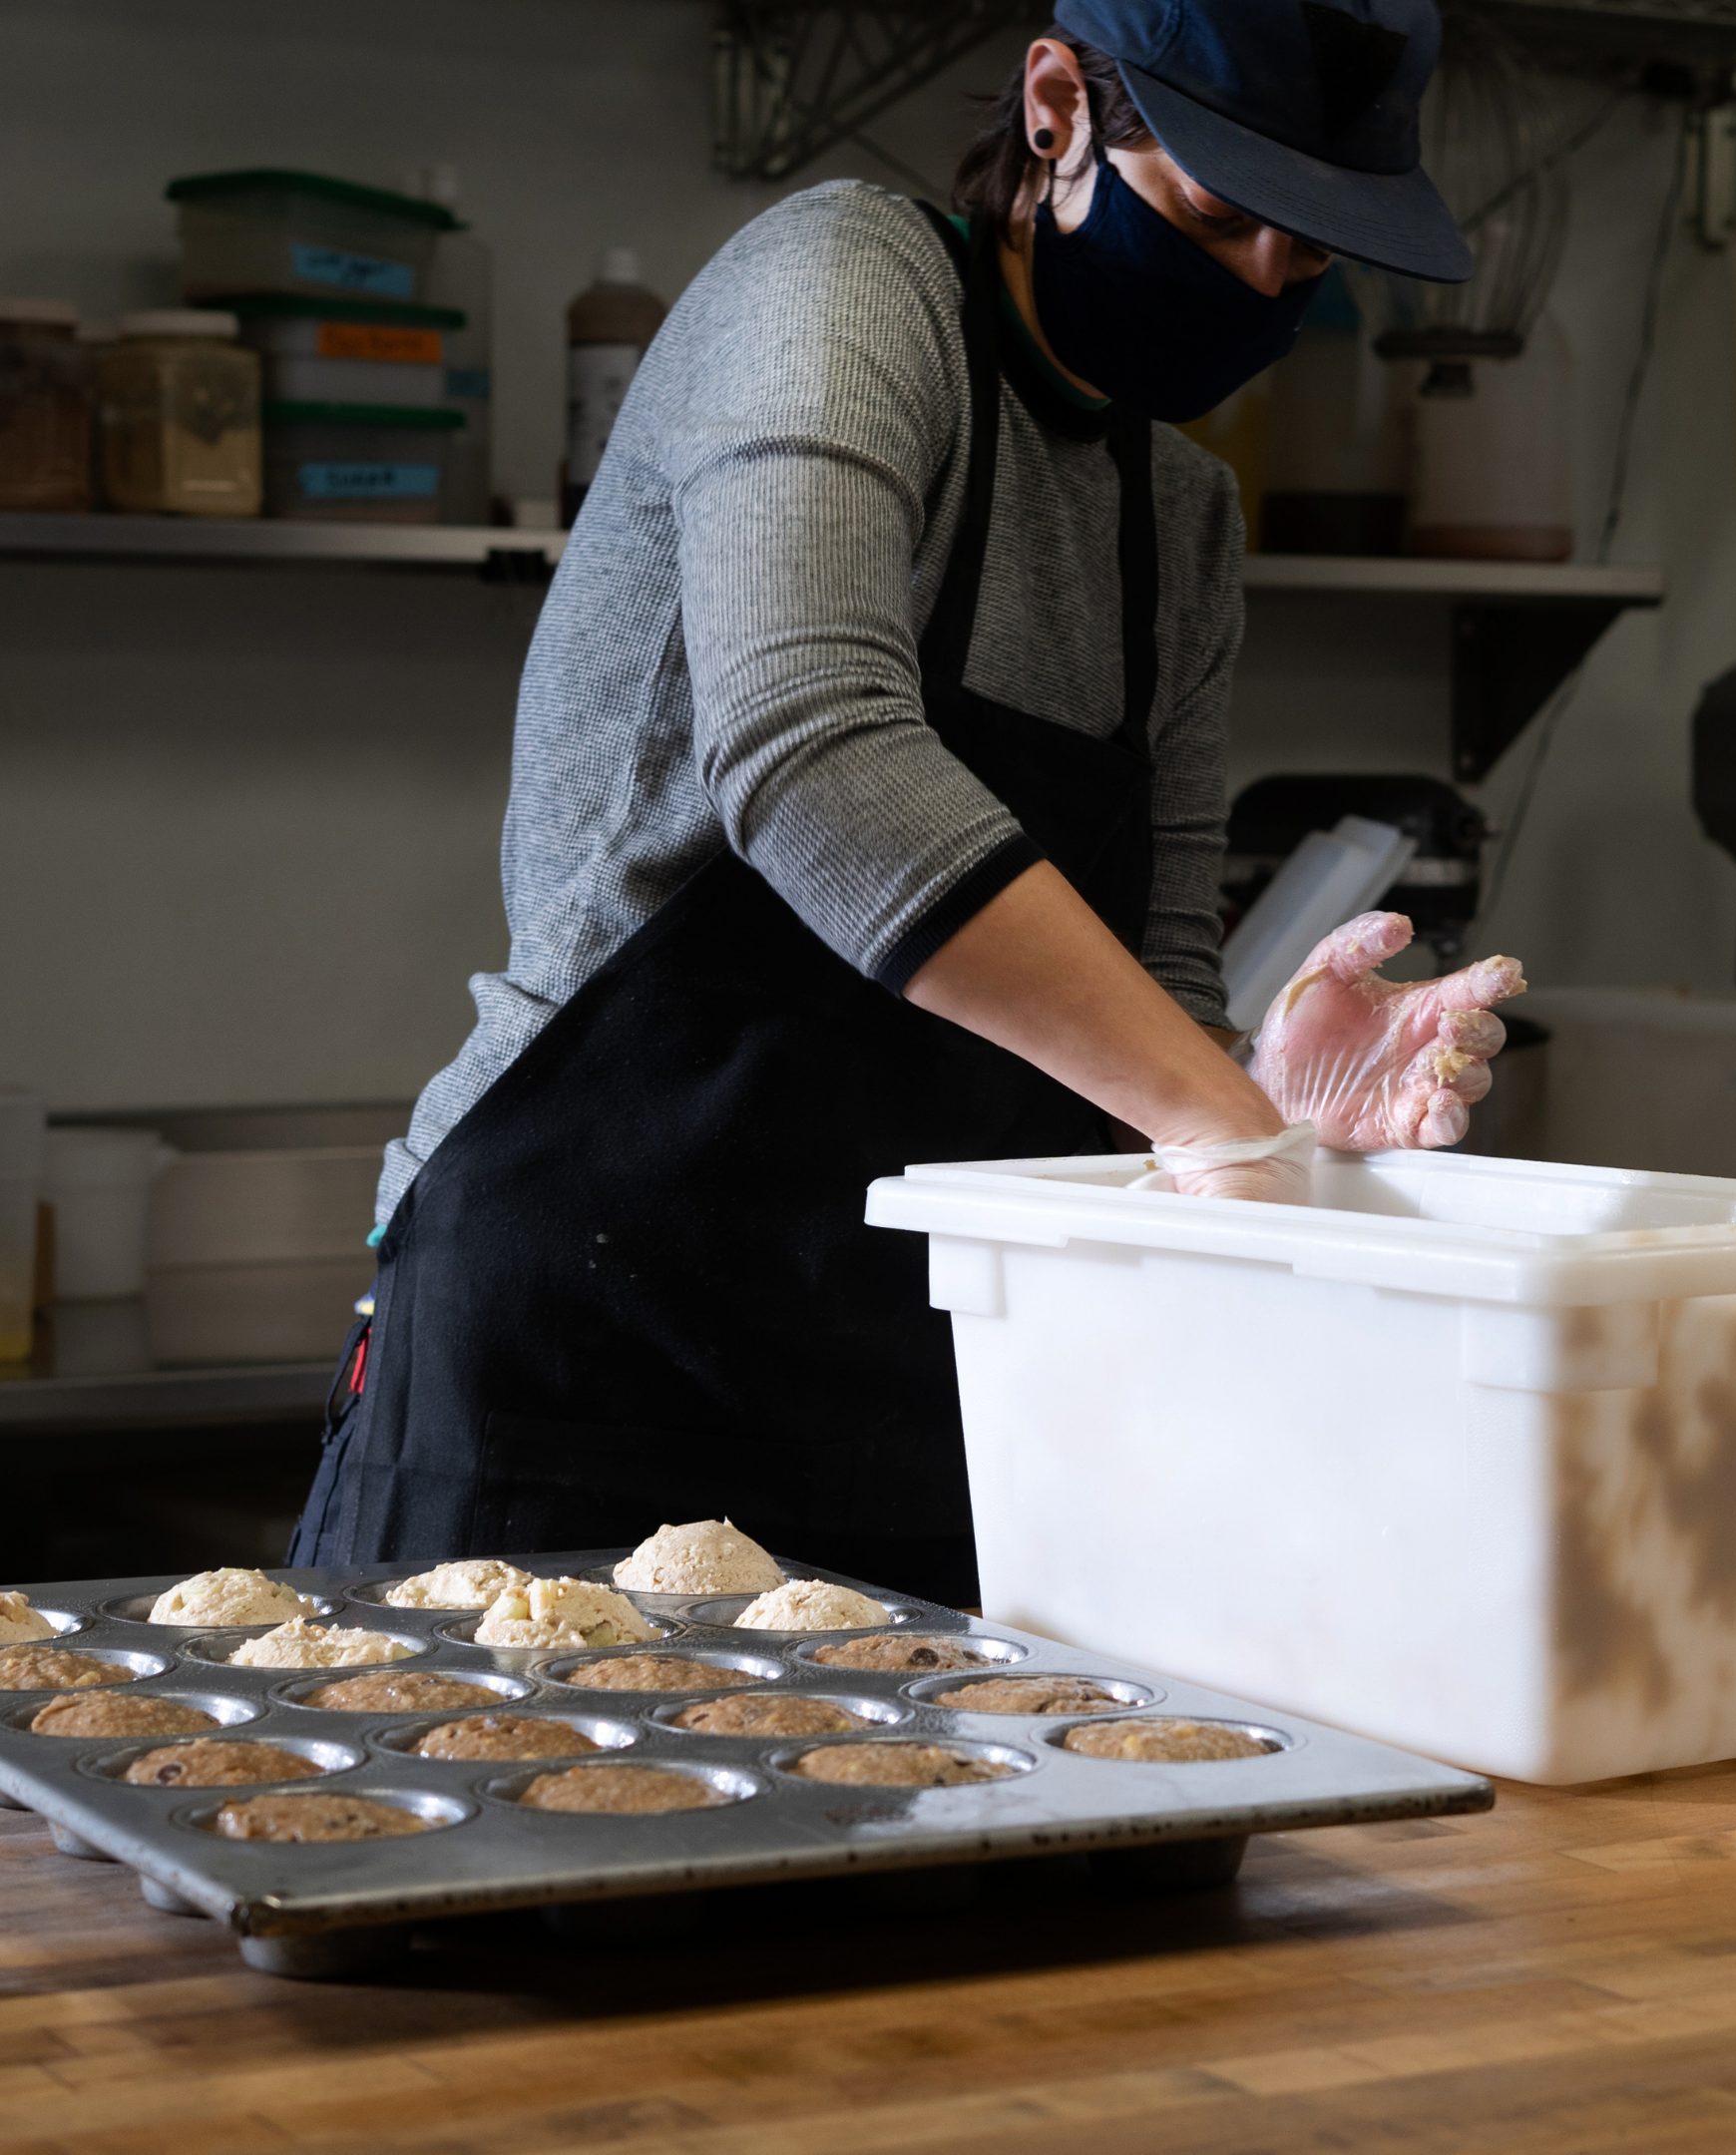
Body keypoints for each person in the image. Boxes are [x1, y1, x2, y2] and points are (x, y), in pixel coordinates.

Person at [289, 0, 1519, 1605]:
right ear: (1059, 107)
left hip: (930, 1395)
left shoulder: (1184, 524)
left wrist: (1253, 1085)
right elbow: (813, 750)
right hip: (577, 1345)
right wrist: (1206, 1117)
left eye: (1311, 255)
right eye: (1222, 218)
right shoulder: (839, 286)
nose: (1264, 288)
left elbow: (1137, 1002)